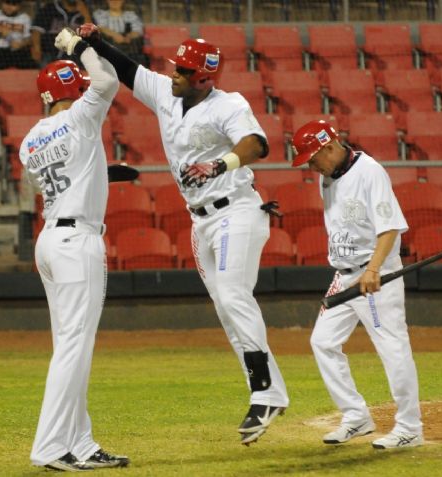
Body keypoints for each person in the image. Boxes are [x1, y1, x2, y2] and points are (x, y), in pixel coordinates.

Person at [77, 24, 289, 446]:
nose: (173, 74)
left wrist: (221, 164)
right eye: (176, 68)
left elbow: (257, 144)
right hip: (200, 221)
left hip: (237, 212)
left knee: (233, 296)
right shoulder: (166, 94)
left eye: (183, 71)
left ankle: (265, 392)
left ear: (204, 78)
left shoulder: (228, 104)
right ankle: (270, 392)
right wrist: (96, 43)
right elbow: (128, 70)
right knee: (228, 311)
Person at [23, 27, 129, 471]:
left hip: (50, 240)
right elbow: (108, 81)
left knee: (70, 346)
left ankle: (81, 443)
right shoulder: (81, 117)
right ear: (73, 91)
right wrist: (80, 47)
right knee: (73, 349)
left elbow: (60, 177)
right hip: (77, 242)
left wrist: (104, 175)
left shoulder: (30, 139)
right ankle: (50, 447)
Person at [290, 120, 424, 449]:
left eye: (313, 157)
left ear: (330, 146)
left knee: (393, 350)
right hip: (344, 275)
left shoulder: (369, 172)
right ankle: (356, 416)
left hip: (374, 275)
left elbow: (390, 227)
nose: (310, 165)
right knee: (322, 341)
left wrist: (374, 270)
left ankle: (410, 427)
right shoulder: (328, 178)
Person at [0, 0, 41, 91]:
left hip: (17, 51)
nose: (9, 6)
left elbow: (29, 39)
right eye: (7, 3)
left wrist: (22, 44)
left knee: (32, 65)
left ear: (19, 6)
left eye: (14, 4)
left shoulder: (24, 18)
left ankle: (30, 95)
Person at [32, 0, 91, 65]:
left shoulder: (85, 11)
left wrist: (86, 15)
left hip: (75, 56)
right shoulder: (50, 8)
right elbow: (36, 30)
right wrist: (37, 48)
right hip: (50, 53)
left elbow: (90, 35)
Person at [92, 0, 147, 66]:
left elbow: (138, 30)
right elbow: (100, 27)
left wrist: (128, 36)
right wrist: (115, 35)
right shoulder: (99, 14)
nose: (115, 2)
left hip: (128, 51)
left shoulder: (131, 15)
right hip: (106, 52)